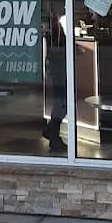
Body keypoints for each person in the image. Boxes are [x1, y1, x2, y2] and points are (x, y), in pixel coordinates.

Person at [42, 11, 67, 153]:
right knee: (62, 102)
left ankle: (51, 130)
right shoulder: (54, 27)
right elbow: (55, 49)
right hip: (59, 68)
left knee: (62, 102)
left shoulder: (54, 25)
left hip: (57, 67)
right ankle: (52, 133)